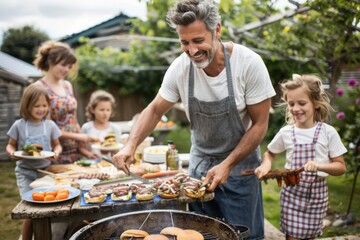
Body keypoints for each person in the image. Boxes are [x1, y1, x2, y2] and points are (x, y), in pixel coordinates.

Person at [112, 0, 276, 239]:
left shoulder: (249, 64)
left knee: (243, 235)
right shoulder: (180, 68)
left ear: (217, 30)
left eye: (198, 41)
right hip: (200, 167)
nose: (192, 51)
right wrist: (130, 144)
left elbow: (260, 125)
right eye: (184, 42)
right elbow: (156, 109)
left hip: (240, 167)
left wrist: (228, 164)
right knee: (199, 233)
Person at [255, 74, 347, 240]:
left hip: (316, 197)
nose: (295, 108)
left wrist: (320, 165)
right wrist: (265, 165)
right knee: (293, 237)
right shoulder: (286, 133)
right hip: (292, 196)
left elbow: (340, 166)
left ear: (316, 103)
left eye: (302, 103)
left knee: (309, 236)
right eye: (291, 104)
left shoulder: (327, 132)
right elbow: (270, 153)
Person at [6, 83, 62, 240]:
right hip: (25, 173)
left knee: (43, 208)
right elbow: (10, 145)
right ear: (27, 105)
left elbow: (57, 145)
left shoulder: (49, 125)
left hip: (45, 174)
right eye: (36, 105)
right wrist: (12, 153)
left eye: (44, 105)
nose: (41, 109)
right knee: (30, 209)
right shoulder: (19, 125)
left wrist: (56, 153)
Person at [33, 40, 98, 163]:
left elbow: (74, 119)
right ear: (50, 61)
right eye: (63, 65)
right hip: (55, 150)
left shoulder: (67, 85)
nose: (67, 69)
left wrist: (82, 148)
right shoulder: (39, 88)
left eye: (69, 66)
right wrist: (79, 137)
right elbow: (46, 127)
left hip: (74, 150)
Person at [80, 90, 122, 159]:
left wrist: (111, 148)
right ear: (92, 110)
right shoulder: (86, 127)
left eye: (108, 110)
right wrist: (89, 154)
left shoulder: (115, 128)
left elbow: (118, 150)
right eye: (102, 110)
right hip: (91, 165)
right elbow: (81, 148)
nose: (105, 113)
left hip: (110, 165)